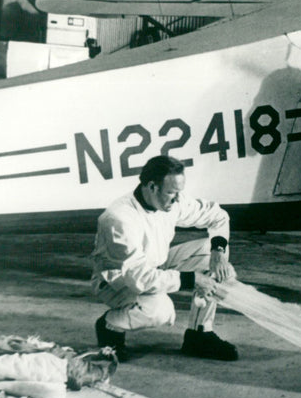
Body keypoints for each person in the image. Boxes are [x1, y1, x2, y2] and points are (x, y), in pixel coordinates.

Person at [92, 155, 238, 362]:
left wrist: (218, 252)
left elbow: (218, 216)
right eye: (171, 193)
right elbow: (139, 279)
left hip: (156, 266)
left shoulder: (171, 201)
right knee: (160, 310)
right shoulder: (119, 218)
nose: (177, 199)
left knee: (207, 250)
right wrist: (193, 279)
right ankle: (110, 326)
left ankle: (199, 334)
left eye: (179, 192)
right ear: (152, 187)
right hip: (118, 281)